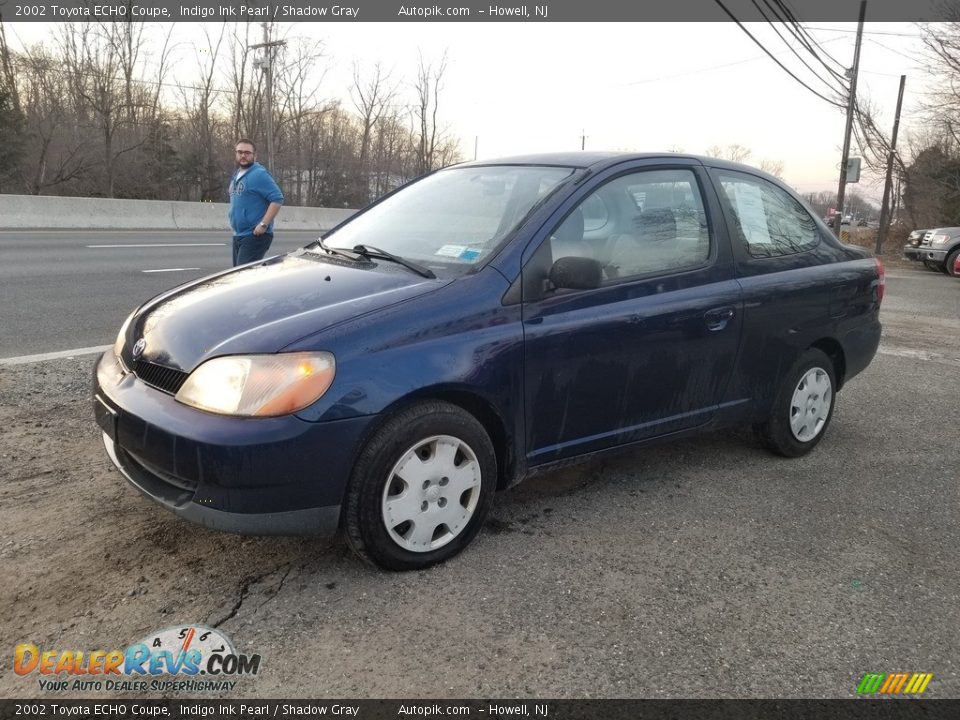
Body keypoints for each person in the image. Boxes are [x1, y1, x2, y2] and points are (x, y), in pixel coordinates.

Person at [228, 139, 284, 266]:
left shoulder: (259, 174)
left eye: (247, 153)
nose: (243, 155)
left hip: (254, 235)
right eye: (240, 152)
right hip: (239, 234)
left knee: (243, 277)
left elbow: (277, 198)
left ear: (254, 155)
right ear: (236, 154)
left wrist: (263, 224)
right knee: (237, 276)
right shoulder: (237, 174)